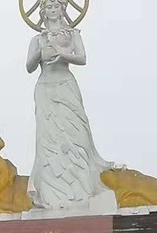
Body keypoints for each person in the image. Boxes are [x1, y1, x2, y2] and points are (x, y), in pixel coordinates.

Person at [25, 0, 117, 210]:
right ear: (43, 11)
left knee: (76, 134)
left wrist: (62, 53)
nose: (53, 11)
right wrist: (42, 50)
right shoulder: (37, 38)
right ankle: (51, 195)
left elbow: (82, 58)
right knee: (47, 139)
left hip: (66, 84)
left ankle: (82, 190)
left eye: (56, 6)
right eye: (48, 7)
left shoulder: (73, 34)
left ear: (63, 9)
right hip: (45, 87)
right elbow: (29, 66)